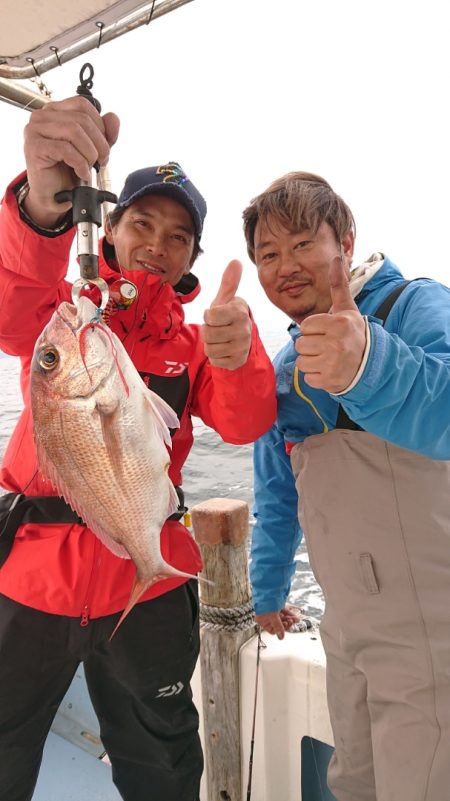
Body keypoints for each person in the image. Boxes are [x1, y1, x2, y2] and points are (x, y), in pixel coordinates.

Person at [0, 96, 276, 801]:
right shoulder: (66, 312)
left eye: (178, 234)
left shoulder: (194, 346)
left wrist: (240, 354)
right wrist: (39, 206)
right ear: (111, 229)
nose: (158, 240)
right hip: (34, 580)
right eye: (142, 222)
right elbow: (11, 302)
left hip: (148, 582)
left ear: (192, 256)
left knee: (163, 759)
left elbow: (245, 424)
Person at [242, 170, 450, 801]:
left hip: (433, 627)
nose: (287, 267)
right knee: (353, 779)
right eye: (268, 255)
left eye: (304, 243)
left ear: (346, 240)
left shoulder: (415, 306)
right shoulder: (287, 369)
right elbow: (279, 492)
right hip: (345, 624)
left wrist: (368, 366)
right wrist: (269, 586)